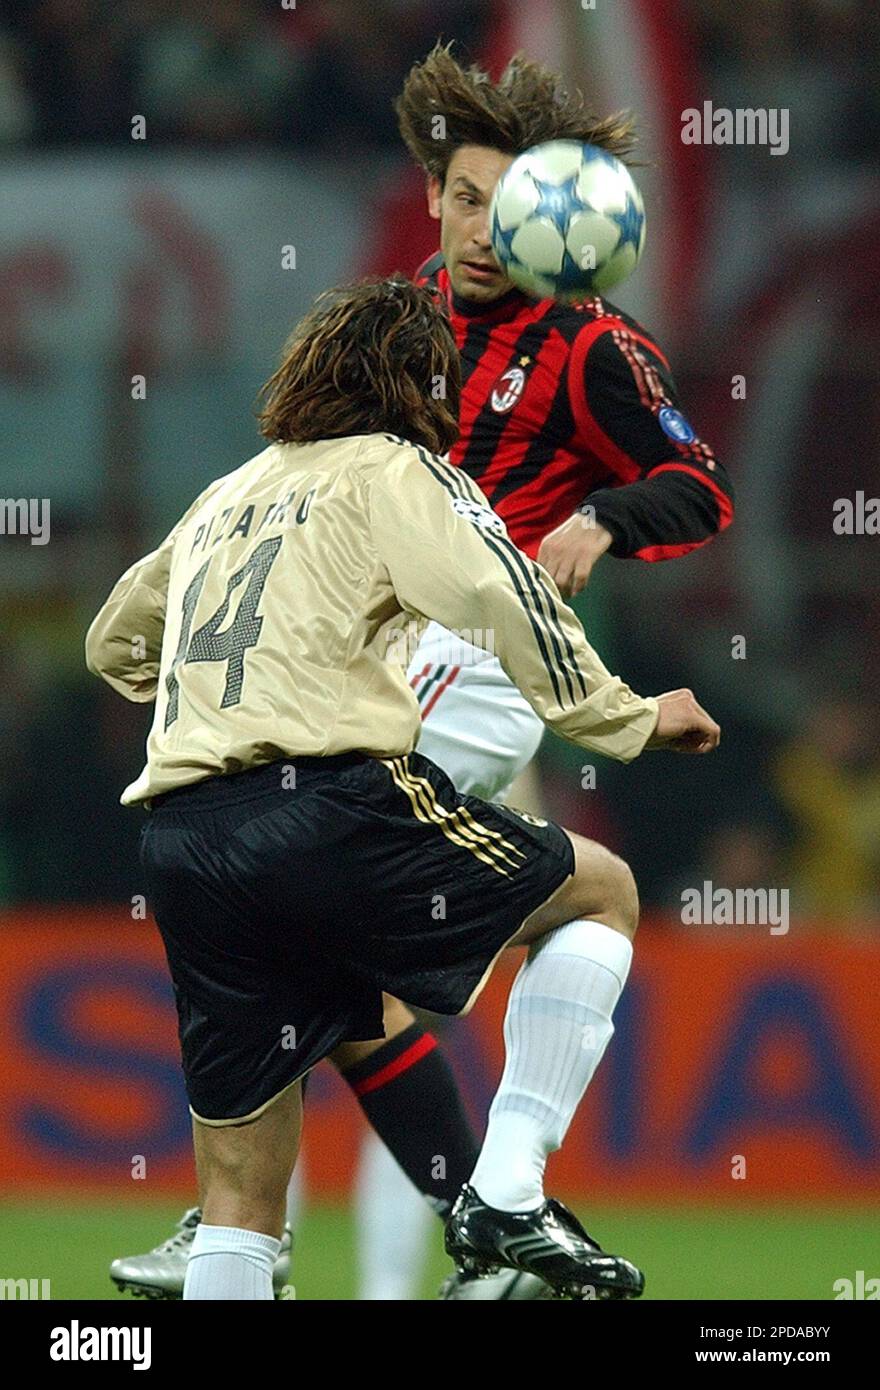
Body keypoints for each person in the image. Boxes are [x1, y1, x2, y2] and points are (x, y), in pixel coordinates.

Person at [112, 41, 735, 1303]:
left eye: (506, 209)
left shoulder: (592, 346)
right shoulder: (405, 315)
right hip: (368, 645)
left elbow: (702, 485)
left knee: (321, 905)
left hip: (477, 650)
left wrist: (607, 516)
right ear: (435, 192)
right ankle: (477, 1225)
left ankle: (375, 1208)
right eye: (460, 198)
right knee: (350, 993)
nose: (478, 230)